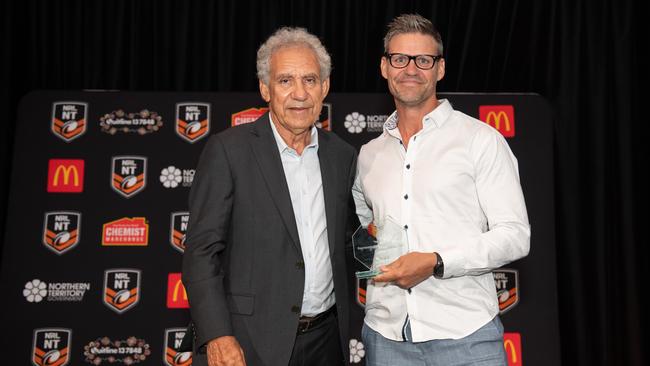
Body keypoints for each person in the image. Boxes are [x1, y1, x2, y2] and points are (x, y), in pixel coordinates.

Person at [352, 14, 530, 365]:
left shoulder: (480, 140)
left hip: (466, 337)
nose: (411, 69)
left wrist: (437, 262)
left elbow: (515, 236)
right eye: (400, 59)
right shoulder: (369, 155)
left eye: (424, 60)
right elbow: (364, 233)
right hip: (385, 339)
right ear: (385, 67)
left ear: (441, 69)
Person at [182, 27, 356, 366]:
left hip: (327, 340)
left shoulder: (343, 156)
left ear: (325, 87)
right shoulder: (228, 151)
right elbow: (201, 252)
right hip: (248, 340)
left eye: (309, 80)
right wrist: (217, 335)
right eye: (285, 81)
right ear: (265, 89)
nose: (299, 93)